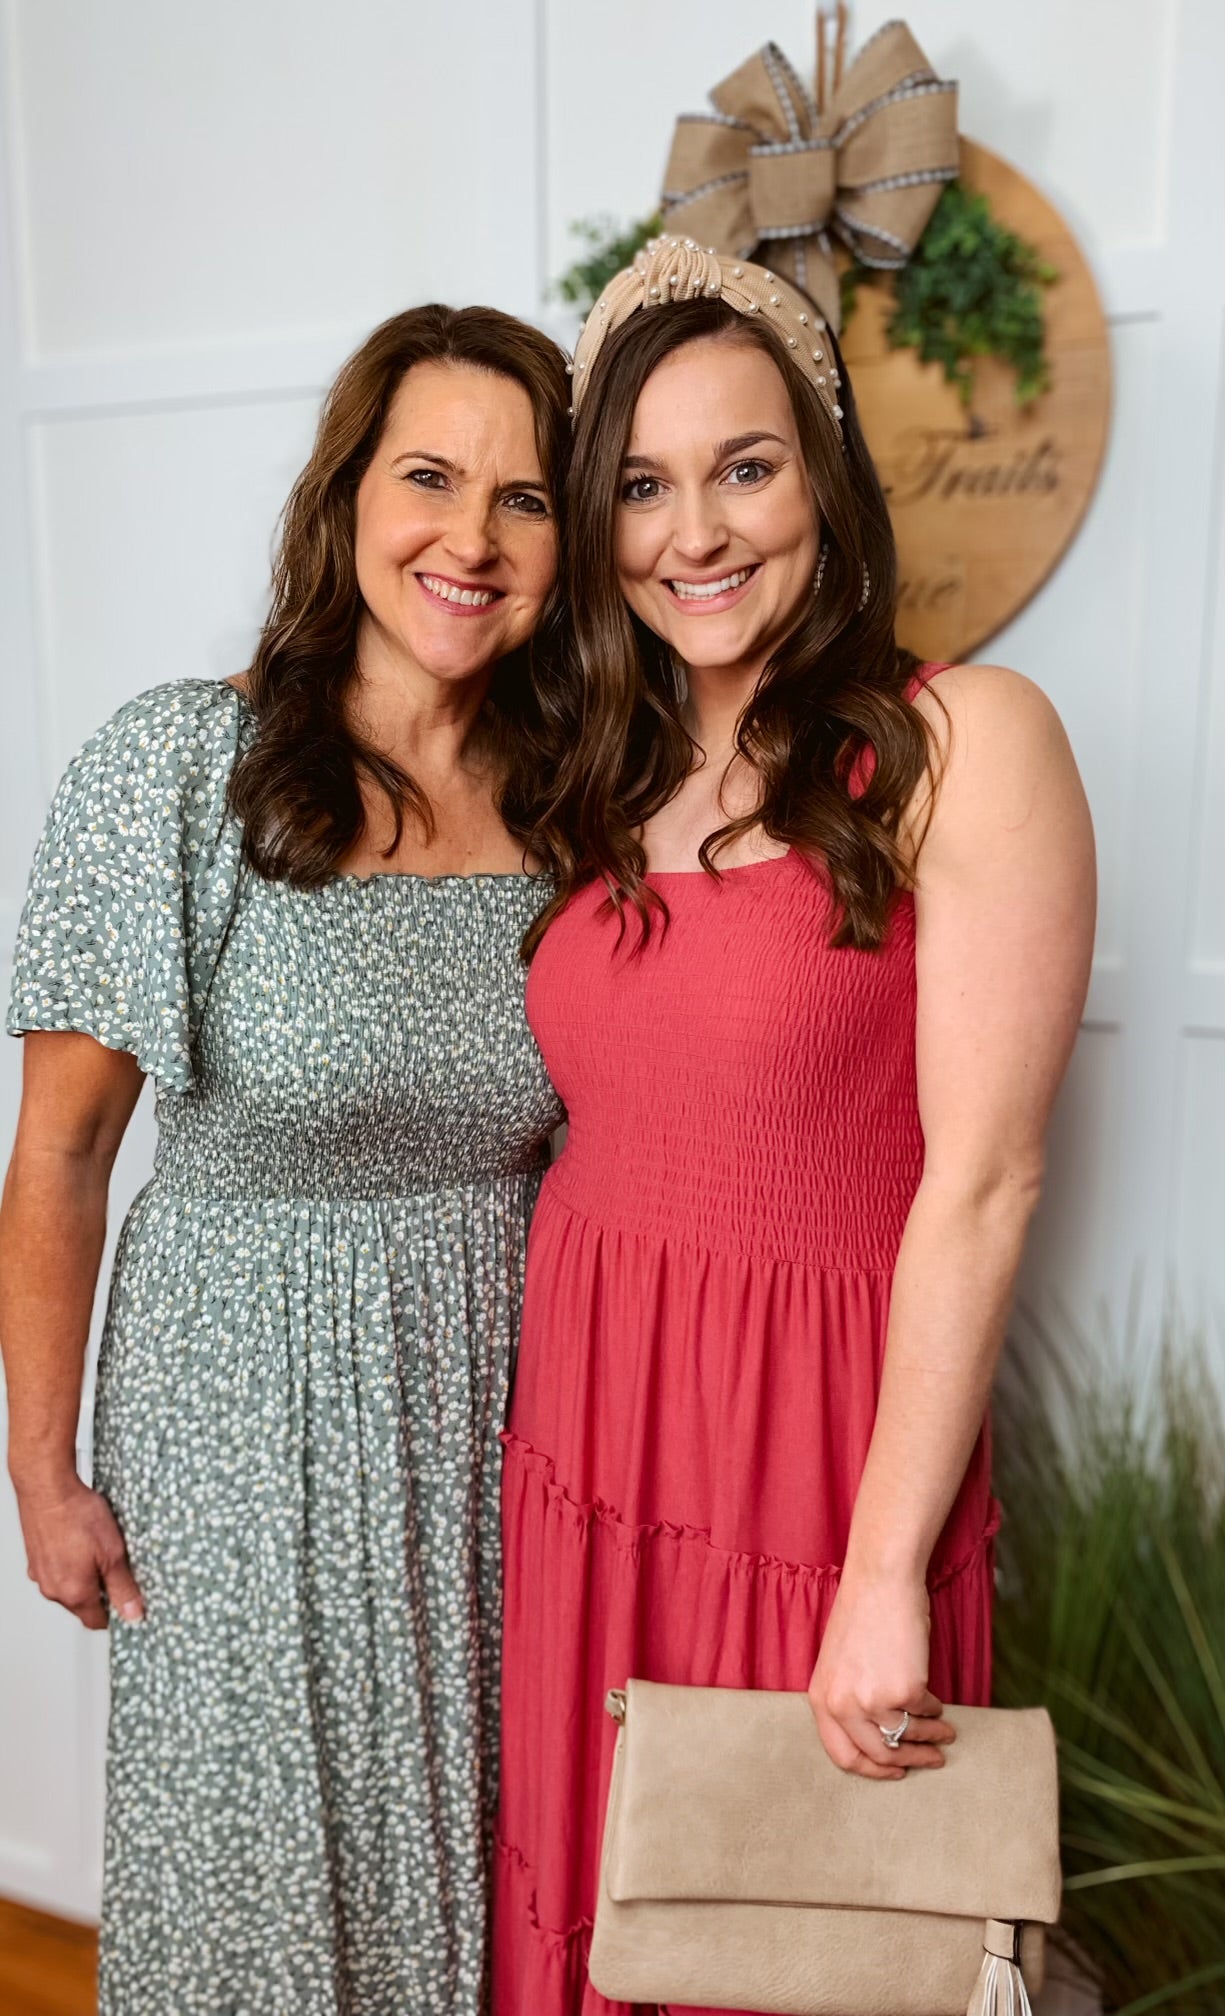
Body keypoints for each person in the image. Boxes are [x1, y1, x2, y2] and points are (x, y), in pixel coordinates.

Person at [492, 238, 1096, 2015]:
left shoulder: (960, 739)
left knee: (794, 1944)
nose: (694, 533)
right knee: (601, 1916)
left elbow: (984, 1182)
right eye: (641, 487)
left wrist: (882, 1571)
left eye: (743, 469)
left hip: (815, 1463)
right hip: (593, 1443)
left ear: (823, 477)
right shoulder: (595, 772)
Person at [1, 303, 569, 2015]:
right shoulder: (181, 766)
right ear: (346, 500)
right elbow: (62, 1156)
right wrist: (42, 1470)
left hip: (494, 1416)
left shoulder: (581, 803)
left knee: (474, 1869)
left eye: (525, 498)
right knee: (250, 1892)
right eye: (428, 478)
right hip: (234, 1431)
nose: (471, 538)